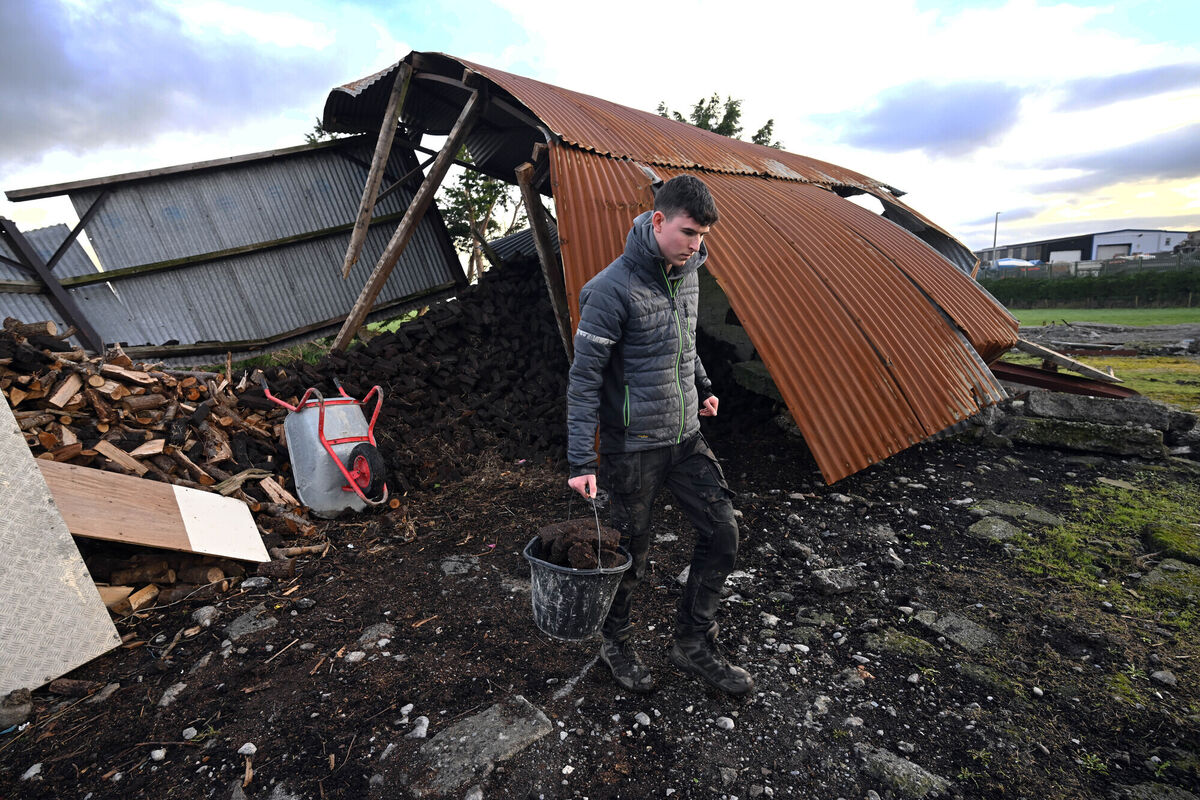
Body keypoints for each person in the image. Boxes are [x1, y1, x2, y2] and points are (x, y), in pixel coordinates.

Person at [565, 174, 753, 696]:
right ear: (657, 221)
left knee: (723, 534)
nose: (696, 245)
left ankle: (693, 643)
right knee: (630, 558)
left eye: (702, 235)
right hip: (633, 447)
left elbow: (683, 341)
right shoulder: (609, 290)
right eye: (689, 233)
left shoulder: (688, 271)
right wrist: (582, 460)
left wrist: (704, 386)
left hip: (686, 435)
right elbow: (583, 381)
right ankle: (616, 646)